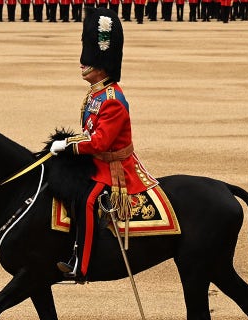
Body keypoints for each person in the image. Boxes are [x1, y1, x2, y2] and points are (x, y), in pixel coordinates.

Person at [51, 7, 158, 280]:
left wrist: (70, 146)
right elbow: (90, 131)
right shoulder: (95, 93)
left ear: (102, 66)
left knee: (86, 200)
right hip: (98, 160)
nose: (83, 64)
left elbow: (99, 142)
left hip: (114, 167)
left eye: (89, 61)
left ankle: (81, 265)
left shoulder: (112, 99)